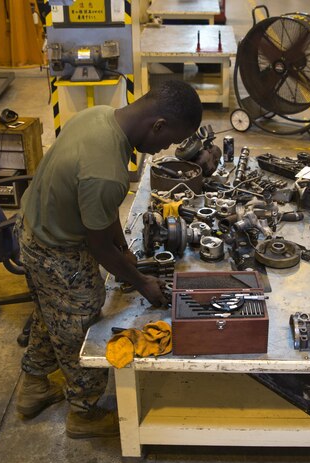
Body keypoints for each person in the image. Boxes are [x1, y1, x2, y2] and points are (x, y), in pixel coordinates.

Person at [14, 80, 206, 438]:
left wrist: (124, 249)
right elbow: (98, 246)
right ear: (158, 125)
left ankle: (34, 387)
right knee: (80, 321)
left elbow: (100, 217)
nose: (165, 147)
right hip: (57, 250)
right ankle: (83, 414)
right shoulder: (106, 172)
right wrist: (143, 282)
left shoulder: (100, 117)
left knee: (49, 312)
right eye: (167, 141)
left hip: (33, 230)